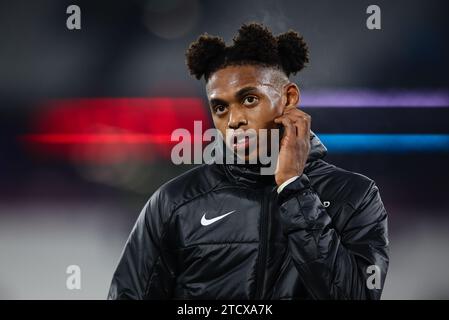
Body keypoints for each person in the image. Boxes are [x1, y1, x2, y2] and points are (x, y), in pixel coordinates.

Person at [107, 23, 389, 300]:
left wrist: (293, 186)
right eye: (220, 107)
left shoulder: (354, 196)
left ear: (288, 98)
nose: (233, 120)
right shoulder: (173, 202)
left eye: (250, 99)